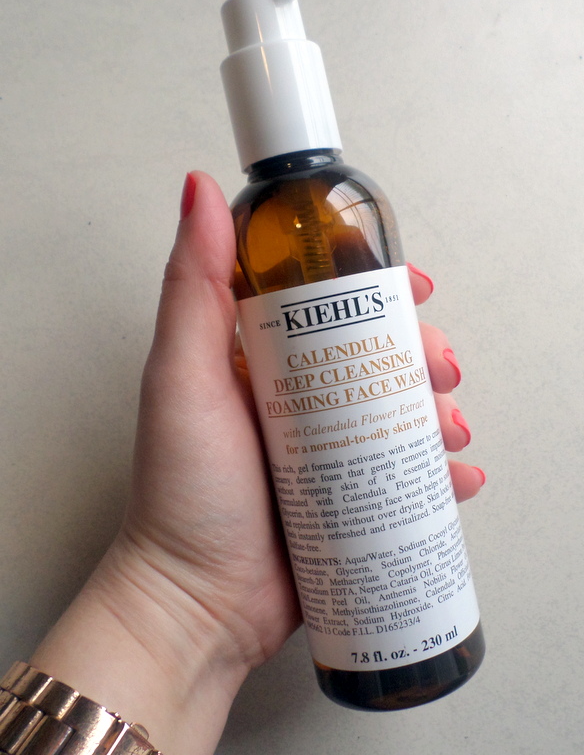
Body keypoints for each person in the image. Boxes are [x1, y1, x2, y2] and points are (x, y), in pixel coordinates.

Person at [8, 172, 485, 755]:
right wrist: (181, 583)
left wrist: (182, 600)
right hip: (325, 575)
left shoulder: (349, 196)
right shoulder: (258, 215)